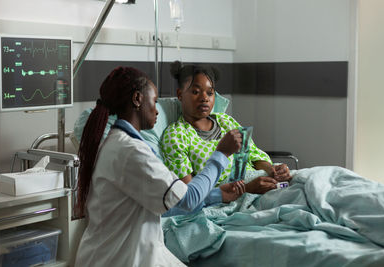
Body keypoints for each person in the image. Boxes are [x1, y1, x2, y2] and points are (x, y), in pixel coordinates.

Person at [74, 66, 245, 267]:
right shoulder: (132, 152)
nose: (157, 110)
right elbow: (187, 200)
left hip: (115, 254)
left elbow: (165, 206)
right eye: (154, 102)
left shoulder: (117, 143)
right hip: (119, 260)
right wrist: (221, 154)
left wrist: (217, 195)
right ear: (138, 99)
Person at [161, 61, 292, 194]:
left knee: (309, 180)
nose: (204, 98)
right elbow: (189, 195)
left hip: (263, 182)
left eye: (210, 93)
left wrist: (274, 171)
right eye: (196, 92)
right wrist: (246, 189)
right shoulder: (176, 136)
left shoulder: (226, 121)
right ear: (180, 94)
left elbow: (253, 155)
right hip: (230, 197)